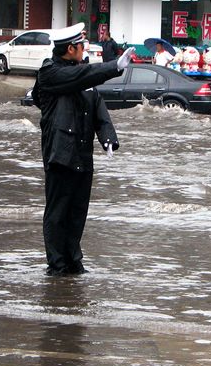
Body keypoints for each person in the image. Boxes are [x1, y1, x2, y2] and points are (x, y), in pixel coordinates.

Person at [32, 28, 135, 276]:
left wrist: (108, 138)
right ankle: (57, 265)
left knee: (78, 212)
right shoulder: (50, 72)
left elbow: (98, 107)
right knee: (58, 213)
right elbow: (78, 78)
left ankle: (73, 262)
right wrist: (113, 67)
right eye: (82, 46)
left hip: (82, 155)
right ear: (70, 49)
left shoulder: (82, 79)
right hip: (60, 154)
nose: (85, 50)